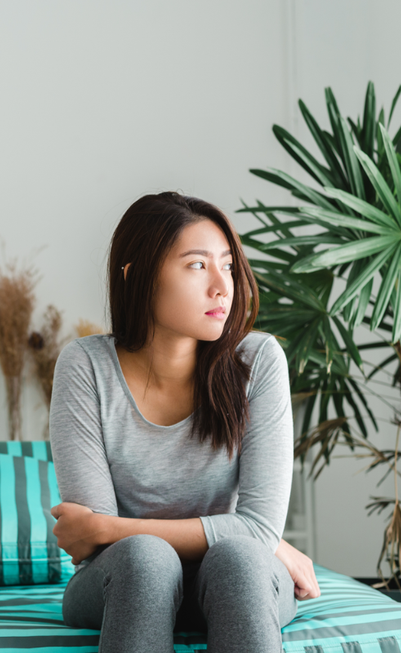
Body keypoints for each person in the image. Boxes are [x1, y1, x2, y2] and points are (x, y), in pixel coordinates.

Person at [49, 192, 320, 653]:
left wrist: (109, 528)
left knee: (239, 558)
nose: (222, 286)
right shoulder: (85, 366)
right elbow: (96, 547)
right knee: (146, 558)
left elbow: (98, 529)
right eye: (197, 265)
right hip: (124, 580)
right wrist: (253, 533)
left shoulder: (258, 360)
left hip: (232, 576)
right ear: (137, 276)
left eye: (228, 266)